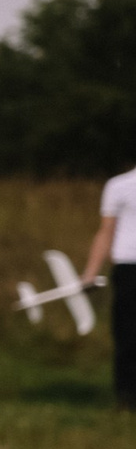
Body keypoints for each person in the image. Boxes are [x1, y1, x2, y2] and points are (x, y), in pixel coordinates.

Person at [87, 161, 136, 411]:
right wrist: (91, 273)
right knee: (127, 334)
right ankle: (126, 398)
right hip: (128, 267)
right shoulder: (119, 186)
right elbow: (106, 231)